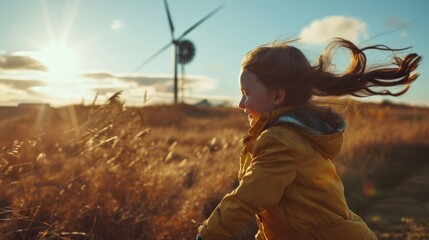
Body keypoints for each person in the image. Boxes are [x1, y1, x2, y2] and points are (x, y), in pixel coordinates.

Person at [196, 38, 421, 240]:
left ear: (276, 95)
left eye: (246, 93)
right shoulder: (294, 133)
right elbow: (281, 213)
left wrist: (206, 235)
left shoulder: (280, 140)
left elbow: (247, 198)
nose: (240, 104)